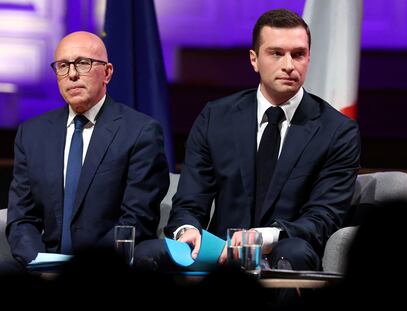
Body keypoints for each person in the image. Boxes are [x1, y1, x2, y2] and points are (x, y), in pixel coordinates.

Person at [162, 8, 360, 273]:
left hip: (286, 250)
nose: (289, 65)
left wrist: (260, 238)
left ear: (309, 58)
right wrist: (188, 230)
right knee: (150, 253)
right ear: (254, 59)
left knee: (295, 252)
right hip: (218, 253)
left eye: (298, 54)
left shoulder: (337, 131)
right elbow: (190, 200)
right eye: (276, 53)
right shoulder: (215, 117)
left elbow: (323, 218)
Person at [6, 31, 169, 267]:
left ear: (107, 73)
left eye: (83, 63)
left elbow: (136, 220)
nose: (72, 74)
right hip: (43, 265)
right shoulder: (32, 134)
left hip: (107, 266)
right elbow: (22, 218)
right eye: (63, 65)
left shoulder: (140, 132)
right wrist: (38, 262)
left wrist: (81, 268)